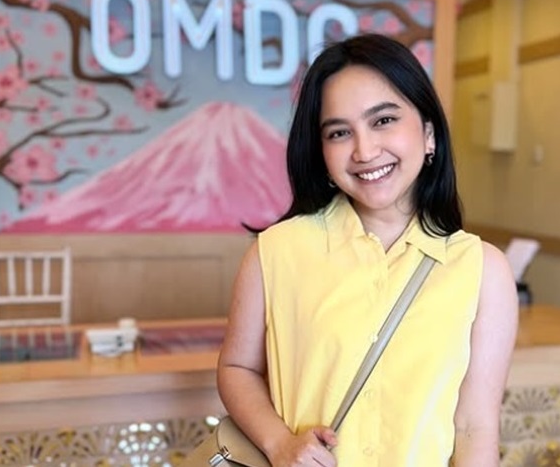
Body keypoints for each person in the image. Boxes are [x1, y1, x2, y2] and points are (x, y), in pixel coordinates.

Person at [217, 33, 518, 467]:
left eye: (383, 120)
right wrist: (279, 442)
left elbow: (475, 427)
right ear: (321, 151)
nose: (364, 150)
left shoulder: (482, 269)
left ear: (429, 134)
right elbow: (238, 369)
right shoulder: (275, 252)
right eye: (340, 132)